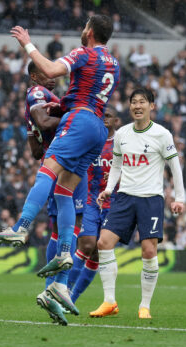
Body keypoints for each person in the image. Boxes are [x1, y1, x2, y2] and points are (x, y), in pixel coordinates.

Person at [0, 15, 119, 315]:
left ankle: (21, 227)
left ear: (89, 31)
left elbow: (49, 68)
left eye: (84, 26)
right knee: (64, 189)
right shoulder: (113, 62)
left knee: (48, 170)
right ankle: (60, 278)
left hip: (80, 121)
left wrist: (27, 44)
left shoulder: (84, 53)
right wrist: (60, 105)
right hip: (98, 127)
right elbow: (90, 93)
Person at [89, 88, 186, 319]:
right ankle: (109, 301)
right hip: (124, 197)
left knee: (149, 250)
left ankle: (145, 306)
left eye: (142, 102)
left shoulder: (162, 135)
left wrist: (179, 198)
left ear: (151, 106)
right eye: (134, 102)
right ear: (130, 106)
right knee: (103, 243)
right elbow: (116, 165)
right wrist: (109, 189)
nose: (137, 106)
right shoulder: (122, 133)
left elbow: (175, 167)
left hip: (151, 199)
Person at [22, 61, 87, 325]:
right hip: (64, 163)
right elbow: (43, 119)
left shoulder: (50, 97)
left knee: (61, 229)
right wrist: (75, 121)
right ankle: (55, 287)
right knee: (73, 227)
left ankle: (53, 289)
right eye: (46, 75)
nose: (53, 78)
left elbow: (36, 150)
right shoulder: (37, 94)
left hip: (56, 160)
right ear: (35, 75)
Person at [67, 105, 120, 304]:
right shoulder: (91, 141)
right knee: (87, 244)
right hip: (89, 199)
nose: (104, 119)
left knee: (98, 252)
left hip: (113, 203)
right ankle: (65, 290)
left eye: (109, 116)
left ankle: (72, 298)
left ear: (116, 121)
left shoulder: (121, 144)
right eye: (102, 116)